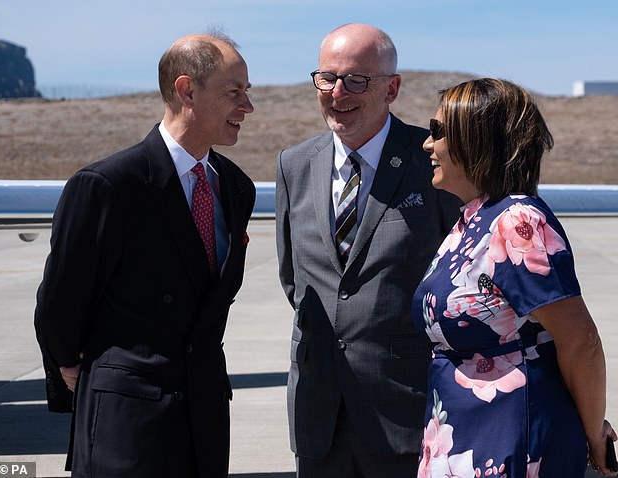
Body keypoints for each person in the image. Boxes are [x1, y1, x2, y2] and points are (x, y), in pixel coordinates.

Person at [34, 31, 255, 477]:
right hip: (128, 429)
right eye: (234, 93)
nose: (247, 107)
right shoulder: (109, 186)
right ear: (186, 90)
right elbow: (60, 305)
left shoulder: (235, 188)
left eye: (246, 93)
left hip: (205, 424)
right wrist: (81, 370)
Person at [275, 23, 461, 477]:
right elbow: (292, 278)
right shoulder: (293, 164)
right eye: (327, 78)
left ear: (391, 88)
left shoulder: (432, 162)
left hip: (405, 410)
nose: (338, 92)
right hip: (319, 414)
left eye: (357, 80)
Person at [413, 78, 618, 477]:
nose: (427, 143)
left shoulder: (518, 221)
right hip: (464, 429)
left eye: (437, 131)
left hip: (512, 439)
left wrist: (593, 434)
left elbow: (582, 341)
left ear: (476, 139)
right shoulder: (473, 219)